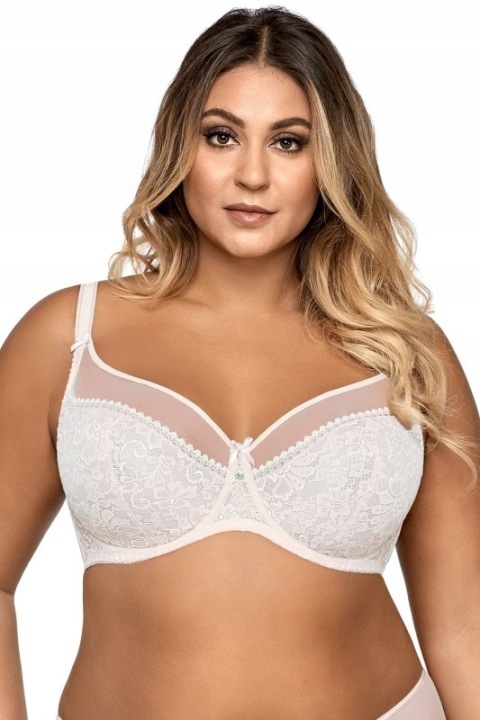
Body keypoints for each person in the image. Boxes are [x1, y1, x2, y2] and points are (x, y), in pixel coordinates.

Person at [0, 6, 479, 719]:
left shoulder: (406, 351)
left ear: (331, 162)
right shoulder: (68, 338)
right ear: (180, 147)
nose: (252, 174)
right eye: (221, 136)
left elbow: (465, 625)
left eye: (289, 142)